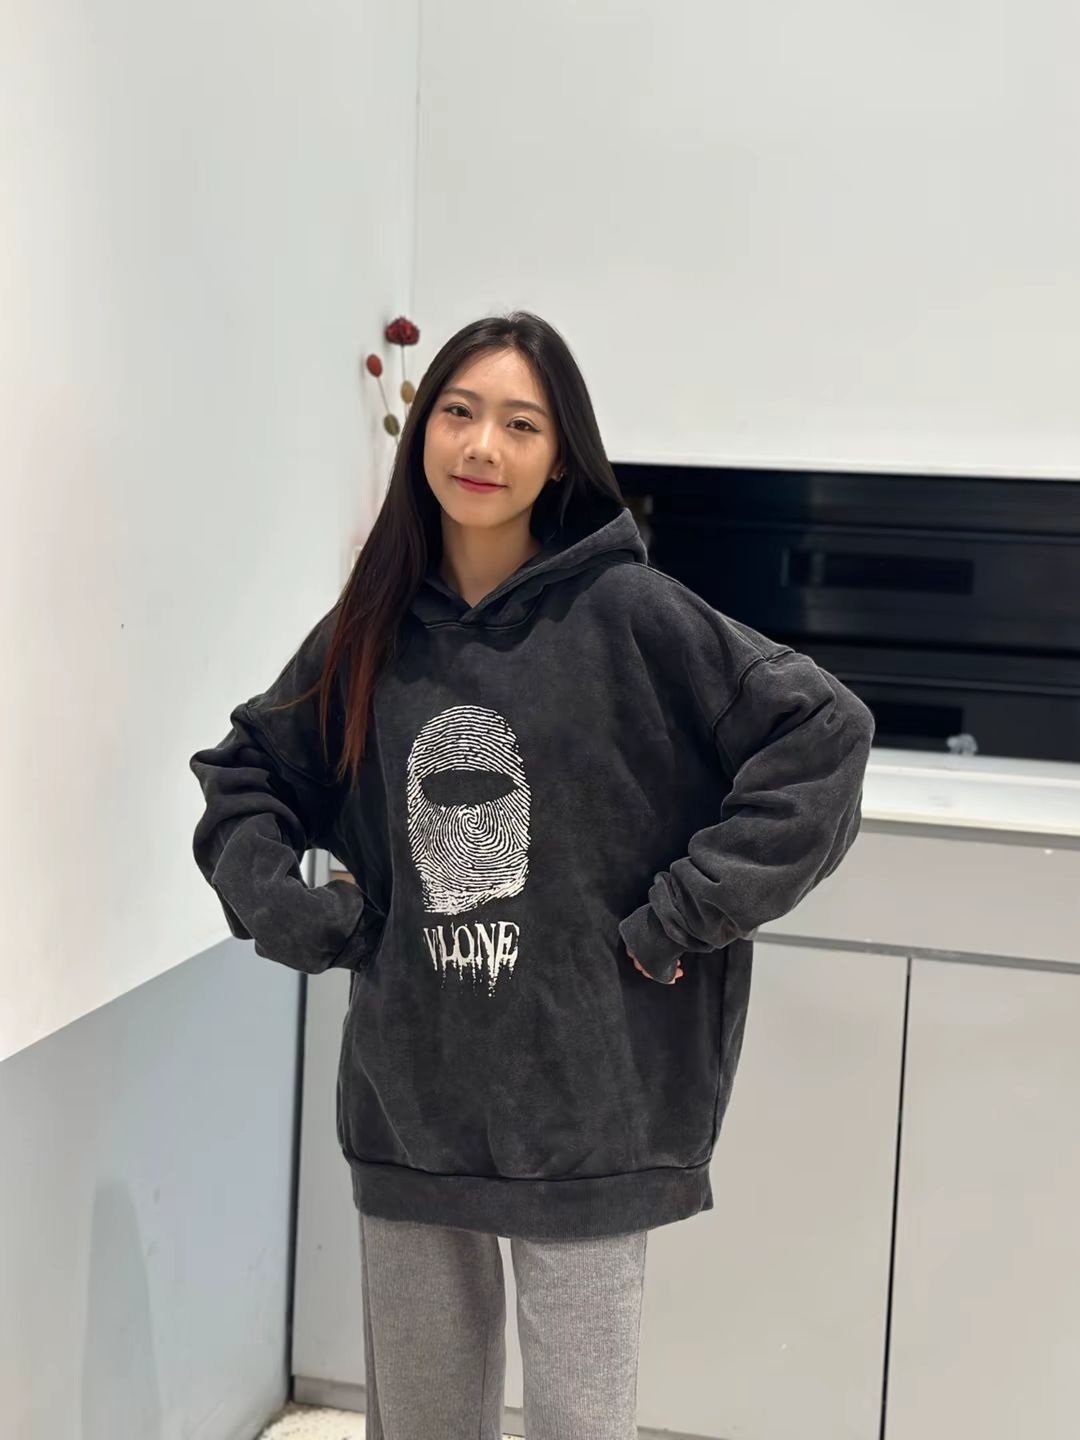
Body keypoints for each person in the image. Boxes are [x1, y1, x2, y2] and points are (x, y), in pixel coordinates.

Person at [189, 310, 876, 1439]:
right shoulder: (370, 628)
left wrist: (682, 914)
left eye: (521, 423)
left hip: (590, 1108)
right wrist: (300, 913)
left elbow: (823, 733)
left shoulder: (630, 614)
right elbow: (246, 776)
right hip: (414, 1102)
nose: (482, 446)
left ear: (561, 456)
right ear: (422, 429)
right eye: (459, 412)